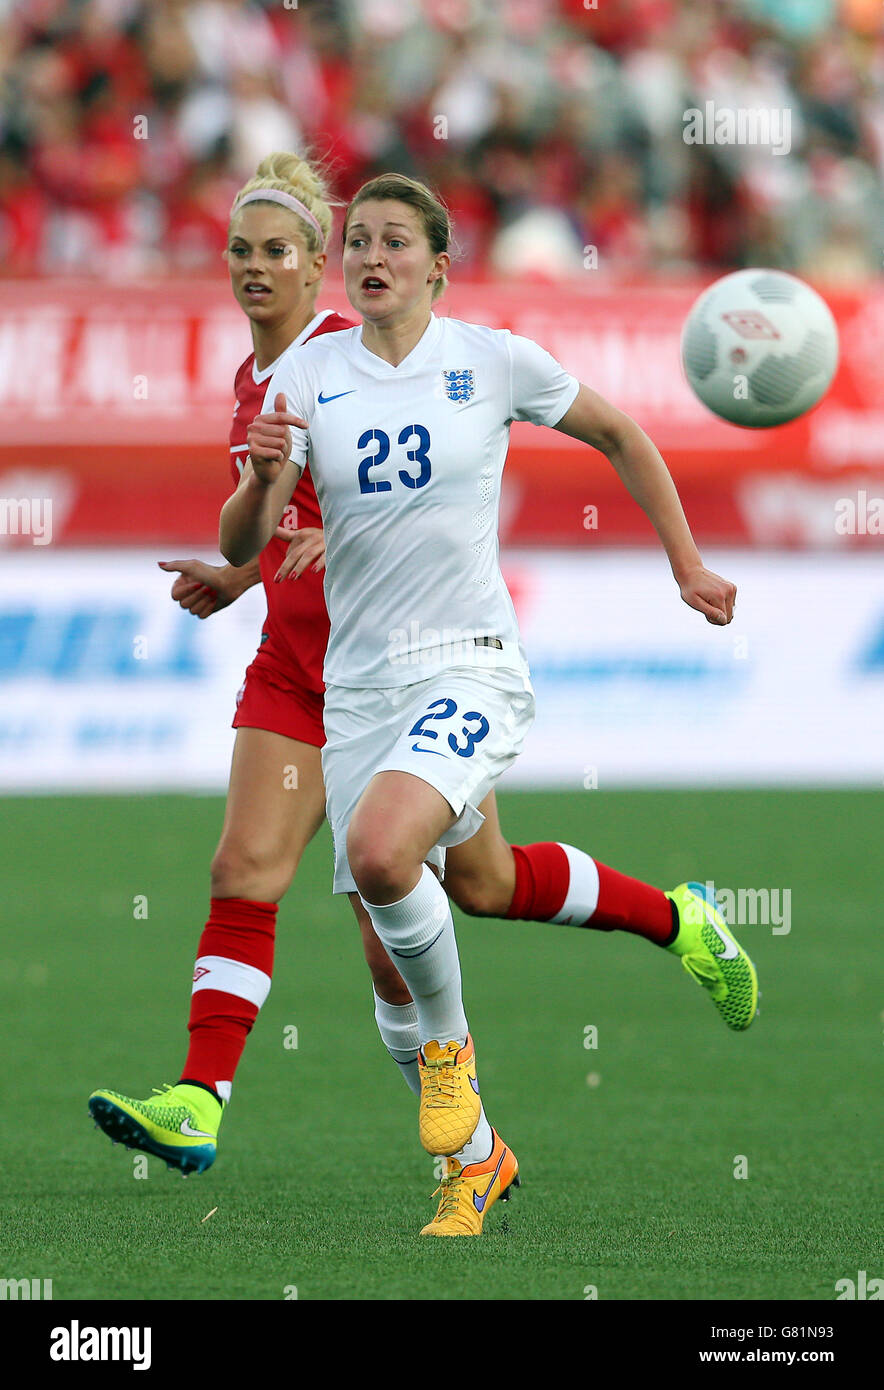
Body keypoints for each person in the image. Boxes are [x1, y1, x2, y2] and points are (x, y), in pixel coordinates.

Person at [218, 172, 759, 1236]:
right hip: (360, 690)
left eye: (393, 242)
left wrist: (685, 566)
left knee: (380, 857)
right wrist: (259, 484)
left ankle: (451, 1062)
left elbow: (619, 435)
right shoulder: (307, 376)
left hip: (467, 663)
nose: (370, 256)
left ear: (436, 266)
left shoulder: (490, 359)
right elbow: (248, 541)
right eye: (358, 241)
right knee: (470, 889)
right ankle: (480, 1154)